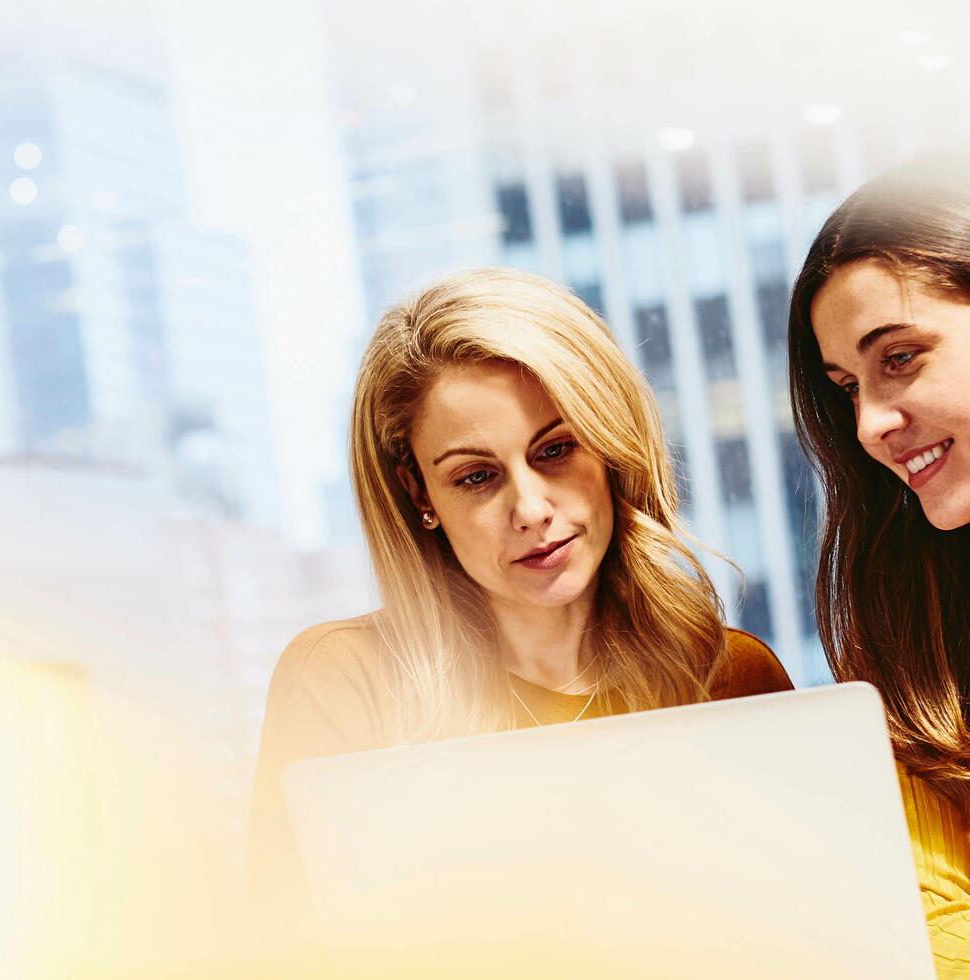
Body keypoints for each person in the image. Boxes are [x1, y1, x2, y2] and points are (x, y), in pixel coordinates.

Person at [250, 267, 792, 940]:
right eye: (475, 477)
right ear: (421, 495)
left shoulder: (730, 677)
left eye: (556, 450)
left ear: (610, 452)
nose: (531, 510)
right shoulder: (346, 680)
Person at [788, 157, 970, 978]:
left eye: (898, 357)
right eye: (846, 385)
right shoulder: (911, 628)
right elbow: (939, 929)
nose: (868, 424)